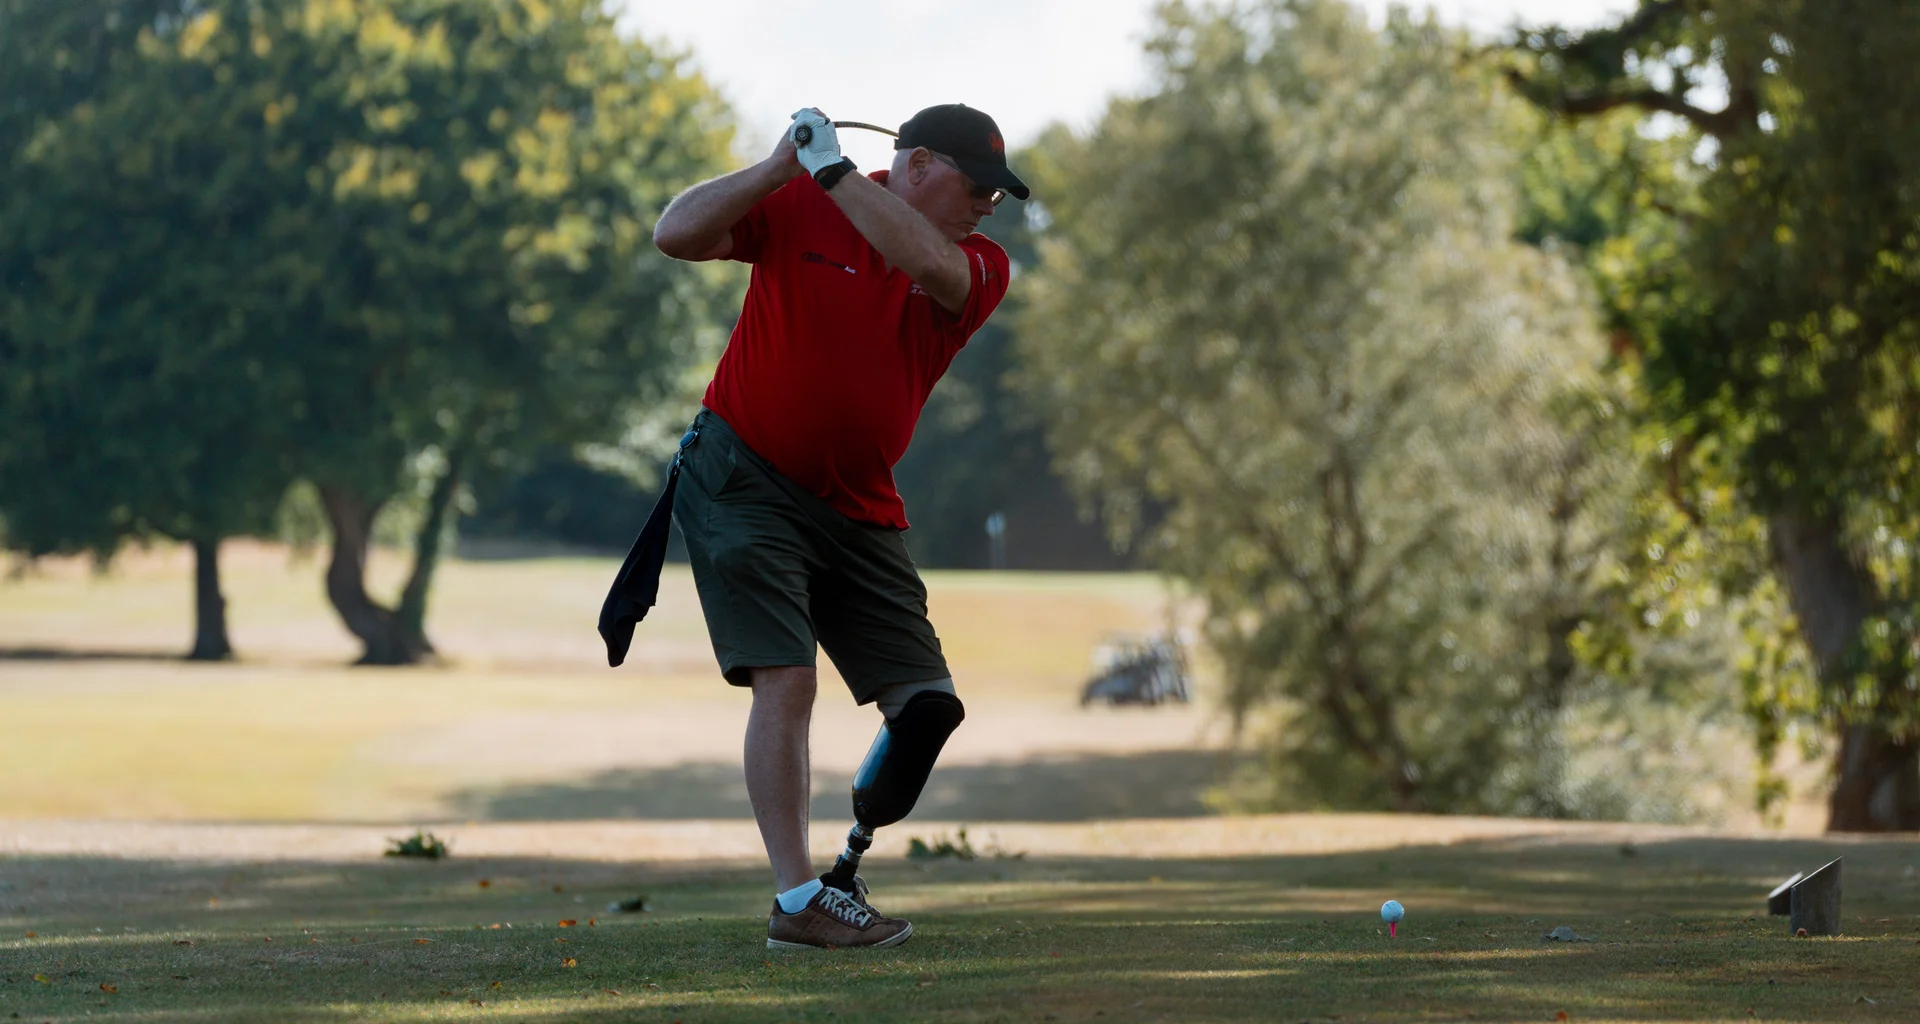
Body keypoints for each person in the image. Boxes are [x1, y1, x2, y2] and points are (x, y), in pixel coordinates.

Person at [650, 103, 1029, 950]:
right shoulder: (803, 200)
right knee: (787, 679)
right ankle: (798, 899)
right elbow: (674, 234)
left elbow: (926, 261)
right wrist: (778, 167)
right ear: (920, 163)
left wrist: (833, 172)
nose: (988, 207)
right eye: (978, 187)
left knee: (928, 707)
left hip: (858, 504)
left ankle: (848, 865)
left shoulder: (979, 264)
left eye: (998, 197)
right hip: (741, 475)